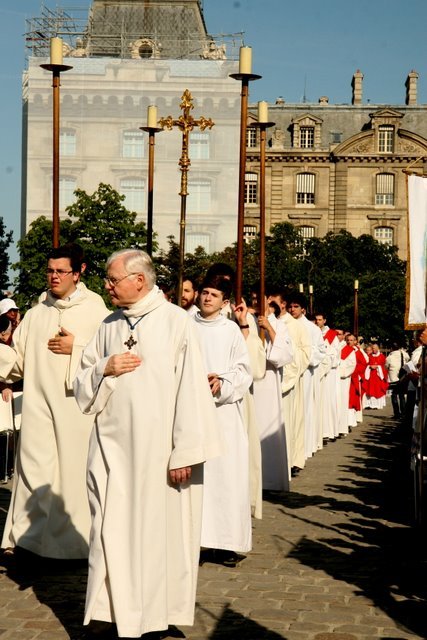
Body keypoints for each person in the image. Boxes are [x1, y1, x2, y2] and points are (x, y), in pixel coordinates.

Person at [73, 249, 221, 639]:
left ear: (139, 280)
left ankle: (154, 616)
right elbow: (81, 379)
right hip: (110, 450)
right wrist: (106, 367)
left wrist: (185, 451)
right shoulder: (108, 324)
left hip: (159, 454)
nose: (106, 285)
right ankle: (111, 611)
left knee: (157, 536)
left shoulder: (176, 323)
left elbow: (191, 389)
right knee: (109, 531)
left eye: (112, 279)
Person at [1, 246, 108, 560]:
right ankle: (29, 542)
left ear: (79, 272)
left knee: (72, 476)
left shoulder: (97, 311)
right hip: (38, 407)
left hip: (76, 410)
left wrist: (78, 346)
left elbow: (110, 356)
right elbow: (16, 365)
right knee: (34, 472)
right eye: (50, 270)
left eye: (61, 271)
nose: (54, 276)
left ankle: (71, 548)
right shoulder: (37, 313)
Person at [193, 275, 253, 566]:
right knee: (197, 478)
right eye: (204, 293)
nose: (206, 298)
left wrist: (222, 382)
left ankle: (227, 543)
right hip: (190, 412)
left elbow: (244, 371)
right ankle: (196, 539)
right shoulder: (185, 325)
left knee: (226, 478)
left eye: (213, 295)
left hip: (224, 414)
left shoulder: (230, 331)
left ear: (225, 302)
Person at [253, 297, 293, 491]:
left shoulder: (280, 325)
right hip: (250, 383)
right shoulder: (245, 319)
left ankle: (269, 480)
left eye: (259, 299)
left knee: (266, 427)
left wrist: (269, 328)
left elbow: (284, 356)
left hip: (268, 381)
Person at [385, 342, 410, 419]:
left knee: (394, 395)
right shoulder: (403, 353)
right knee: (402, 395)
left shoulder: (389, 357)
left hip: (393, 378)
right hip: (402, 377)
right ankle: (403, 412)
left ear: (391, 348)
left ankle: (397, 413)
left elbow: (386, 366)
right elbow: (408, 358)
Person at [363, 343, 389, 409]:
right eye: (372, 348)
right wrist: (370, 366)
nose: (373, 349)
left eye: (374, 348)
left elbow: (384, 366)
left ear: (378, 348)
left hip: (378, 376)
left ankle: (377, 405)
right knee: (370, 389)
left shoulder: (382, 356)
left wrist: (377, 366)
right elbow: (366, 364)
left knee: (377, 390)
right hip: (370, 375)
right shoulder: (370, 356)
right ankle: (370, 404)